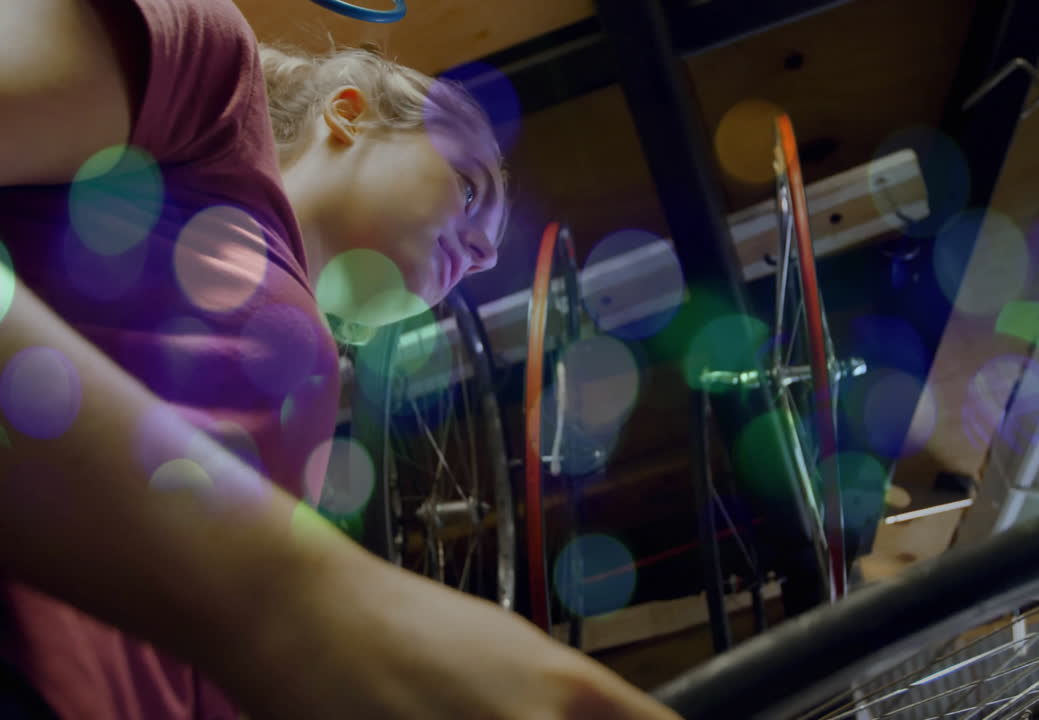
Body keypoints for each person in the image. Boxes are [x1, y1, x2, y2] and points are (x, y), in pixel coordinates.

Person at [0, 0, 684, 718]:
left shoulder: (307, 380)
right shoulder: (207, 73)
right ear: (349, 115)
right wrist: (306, 603)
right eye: (470, 186)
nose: (482, 254)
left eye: (485, 255)